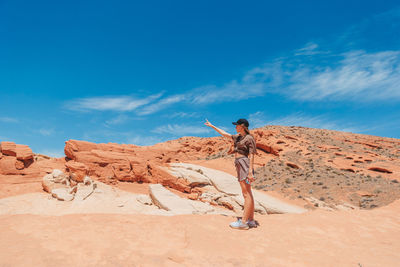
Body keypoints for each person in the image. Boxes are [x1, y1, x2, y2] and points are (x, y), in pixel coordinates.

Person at [205, 118, 257, 230]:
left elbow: (252, 155)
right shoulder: (237, 137)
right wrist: (212, 126)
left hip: (244, 164)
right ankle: (251, 220)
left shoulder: (249, 138)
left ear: (243, 126)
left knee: (246, 193)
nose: (235, 127)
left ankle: (243, 222)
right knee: (248, 193)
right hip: (239, 164)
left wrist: (250, 172)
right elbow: (224, 134)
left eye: (237, 125)